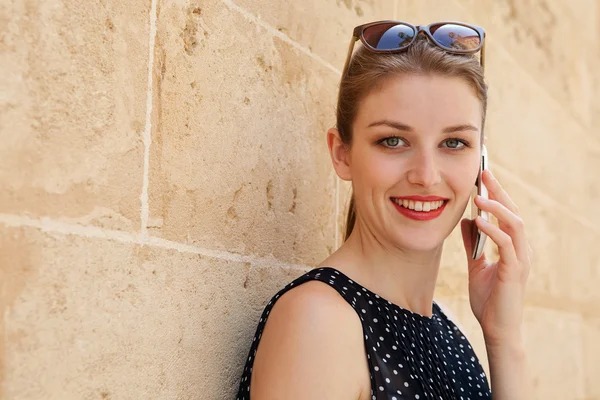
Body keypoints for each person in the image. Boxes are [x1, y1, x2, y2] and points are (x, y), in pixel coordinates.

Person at [236, 21, 531, 399]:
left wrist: (505, 339)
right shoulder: (319, 324)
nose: (426, 175)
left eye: (454, 143)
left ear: (481, 161)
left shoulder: (449, 331)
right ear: (342, 154)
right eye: (393, 140)